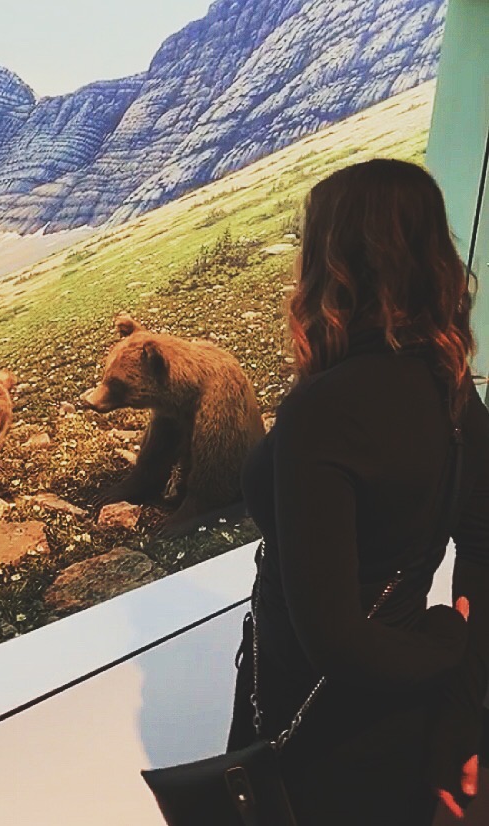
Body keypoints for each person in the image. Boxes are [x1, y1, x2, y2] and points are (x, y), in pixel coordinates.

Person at [227, 158, 489, 826]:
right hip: (404, 714)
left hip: (311, 715)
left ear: (332, 264)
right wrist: (458, 715)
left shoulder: (323, 409)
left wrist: (446, 641)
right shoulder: (453, 389)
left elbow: (335, 641)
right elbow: (485, 553)